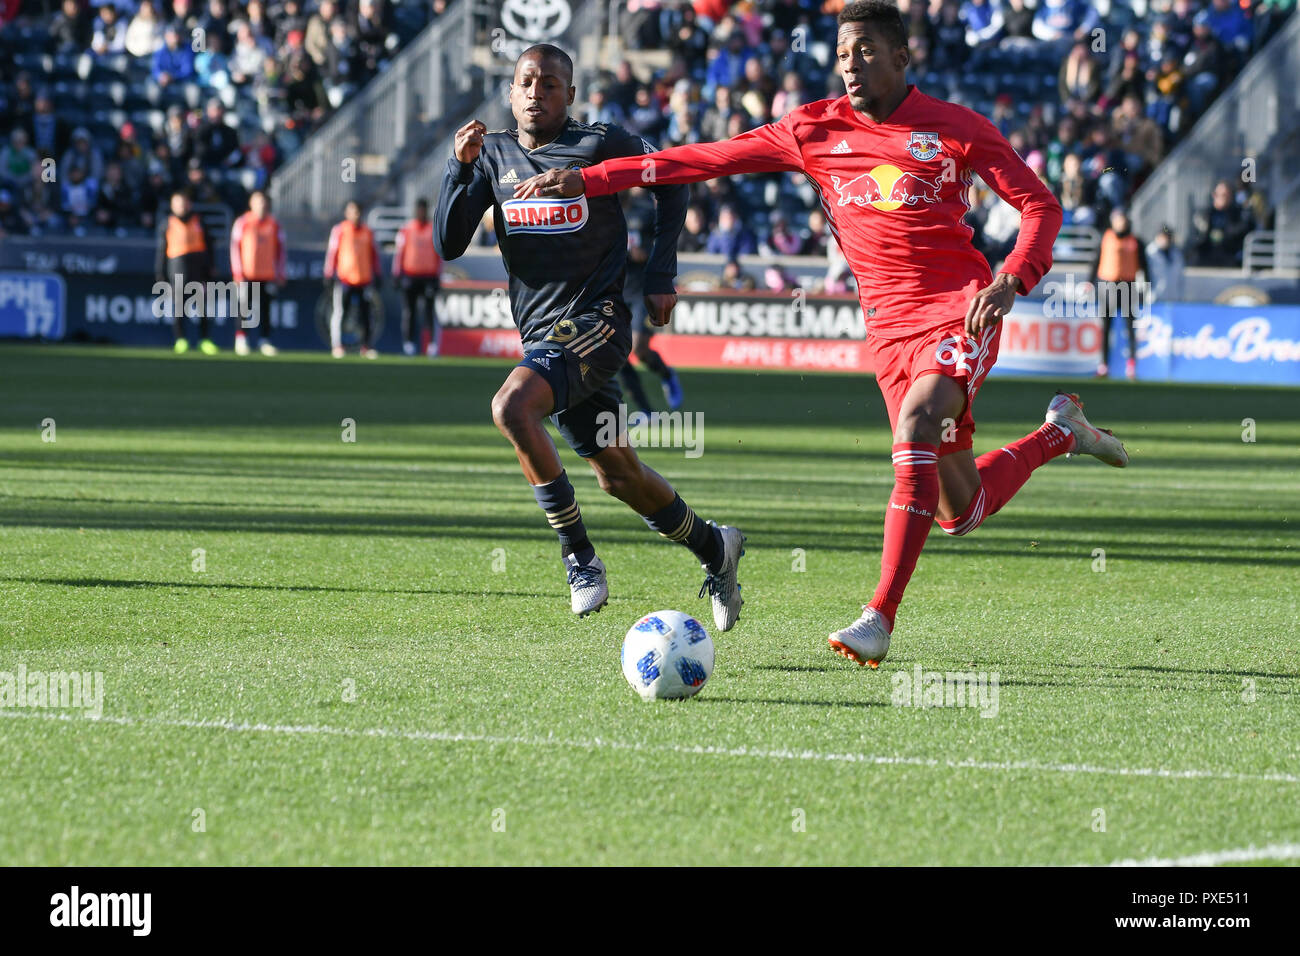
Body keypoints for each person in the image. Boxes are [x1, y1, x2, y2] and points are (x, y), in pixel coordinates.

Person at [517, 1, 1128, 667]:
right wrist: (595, 177)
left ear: (901, 56)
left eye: (865, 50)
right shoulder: (813, 129)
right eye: (842, 53)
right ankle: (1063, 432)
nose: (850, 64)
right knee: (961, 509)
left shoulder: (955, 128)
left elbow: (1040, 203)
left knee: (919, 424)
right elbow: (703, 160)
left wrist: (1012, 278)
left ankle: (880, 618)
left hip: (961, 310)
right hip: (889, 335)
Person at [433, 44, 744, 627]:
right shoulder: (492, 154)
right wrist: (459, 168)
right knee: (619, 474)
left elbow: (671, 177)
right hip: (544, 341)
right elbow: (447, 245)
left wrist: (659, 273)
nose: (536, 93)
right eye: (526, 82)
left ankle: (580, 558)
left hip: (597, 324)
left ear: (570, 95)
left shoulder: (600, 143)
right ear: (510, 91)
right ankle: (715, 547)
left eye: (550, 84)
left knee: (510, 407)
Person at [155, 190, 218, 354]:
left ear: (189, 204)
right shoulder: (167, 224)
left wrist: (210, 269)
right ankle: (181, 339)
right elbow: (162, 251)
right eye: (177, 203)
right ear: (172, 206)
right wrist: (160, 273)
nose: (181, 207)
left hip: (198, 270)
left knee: (204, 307)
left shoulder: (200, 222)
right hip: (177, 270)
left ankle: (205, 340)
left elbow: (209, 247)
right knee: (178, 308)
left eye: (183, 203)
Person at [1088, 208, 1147, 380]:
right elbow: (1096, 260)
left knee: (1130, 327)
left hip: (1128, 285)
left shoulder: (1135, 241)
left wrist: (1146, 286)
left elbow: (1144, 265)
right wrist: (1089, 281)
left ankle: (1131, 365)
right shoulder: (1106, 238)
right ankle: (1104, 364)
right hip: (1107, 285)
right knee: (1106, 327)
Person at [230, 189, 284, 356]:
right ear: (251, 203)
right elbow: (235, 248)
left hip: (267, 274)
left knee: (266, 309)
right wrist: (238, 272)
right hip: (247, 273)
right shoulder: (243, 222)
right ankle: (241, 339)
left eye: (263, 201)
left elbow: (281, 250)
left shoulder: (274, 224)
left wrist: (280, 272)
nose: (261, 204)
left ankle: (264, 340)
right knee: (244, 307)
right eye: (257, 201)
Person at [324, 200, 380, 358]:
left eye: (358, 211)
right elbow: (332, 253)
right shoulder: (340, 230)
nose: (356, 214)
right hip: (345, 279)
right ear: (346, 213)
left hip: (364, 280)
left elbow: (374, 255)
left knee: (365, 314)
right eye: (352, 211)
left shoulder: (368, 232)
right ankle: (337, 345)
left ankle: (366, 346)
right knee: (340, 313)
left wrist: (377, 273)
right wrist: (329, 274)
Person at [392, 198, 443, 357]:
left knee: (429, 313)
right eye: (419, 209)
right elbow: (399, 253)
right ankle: (409, 345)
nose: (421, 212)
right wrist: (397, 274)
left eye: (423, 209)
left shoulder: (433, 229)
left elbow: (439, 255)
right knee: (409, 312)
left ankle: (433, 346)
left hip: (428, 277)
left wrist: (437, 276)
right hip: (410, 276)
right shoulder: (407, 229)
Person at [1146, 225, 1186, 304]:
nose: (1164, 240)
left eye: (1167, 237)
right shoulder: (1149, 253)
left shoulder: (1176, 254)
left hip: (1174, 299)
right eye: (1162, 237)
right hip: (1154, 299)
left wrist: (1180, 295)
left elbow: (1180, 277)